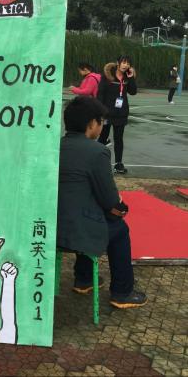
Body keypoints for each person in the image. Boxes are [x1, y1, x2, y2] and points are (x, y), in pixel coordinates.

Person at [58, 96, 147, 309]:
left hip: (52, 226)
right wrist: (120, 207)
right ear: (92, 124)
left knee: (88, 215)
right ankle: (122, 292)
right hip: (75, 230)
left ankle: (85, 279)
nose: (102, 126)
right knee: (119, 229)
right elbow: (109, 200)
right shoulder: (97, 151)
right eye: (101, 121)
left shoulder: (56, 146)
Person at [97, 55, 137, 174]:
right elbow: (100, 93)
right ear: (118, 63)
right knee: (102, 138)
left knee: (119, 139)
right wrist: (100, 111)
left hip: (121, 113)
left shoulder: (127, 77)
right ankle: (96, 162)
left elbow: (133, 92)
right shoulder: (107, 75)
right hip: (107, 113)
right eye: (123, 62)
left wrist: (131, 78)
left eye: (128, 63)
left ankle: (118, 164)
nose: (126, 65)